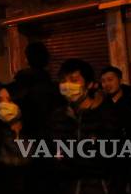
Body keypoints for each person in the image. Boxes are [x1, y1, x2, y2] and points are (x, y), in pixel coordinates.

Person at [45, 58, 114, 193]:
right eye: (63, 81)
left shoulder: (106, 115)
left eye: (74, 80)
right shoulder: (57, 117)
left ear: (89, 85)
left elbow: (108, 159)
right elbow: (51, 153)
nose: (67, 85)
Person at [99, 66, 131, 194]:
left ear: (119, 80)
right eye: (103, 81)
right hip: (109, 157)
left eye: (110, 79)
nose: (106, 84)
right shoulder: (101, 106)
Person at [14, 42, 59, 138]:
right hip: (49, 131)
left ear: (27, 59)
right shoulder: (49, 81)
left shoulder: (22, 79)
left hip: (29, 130)